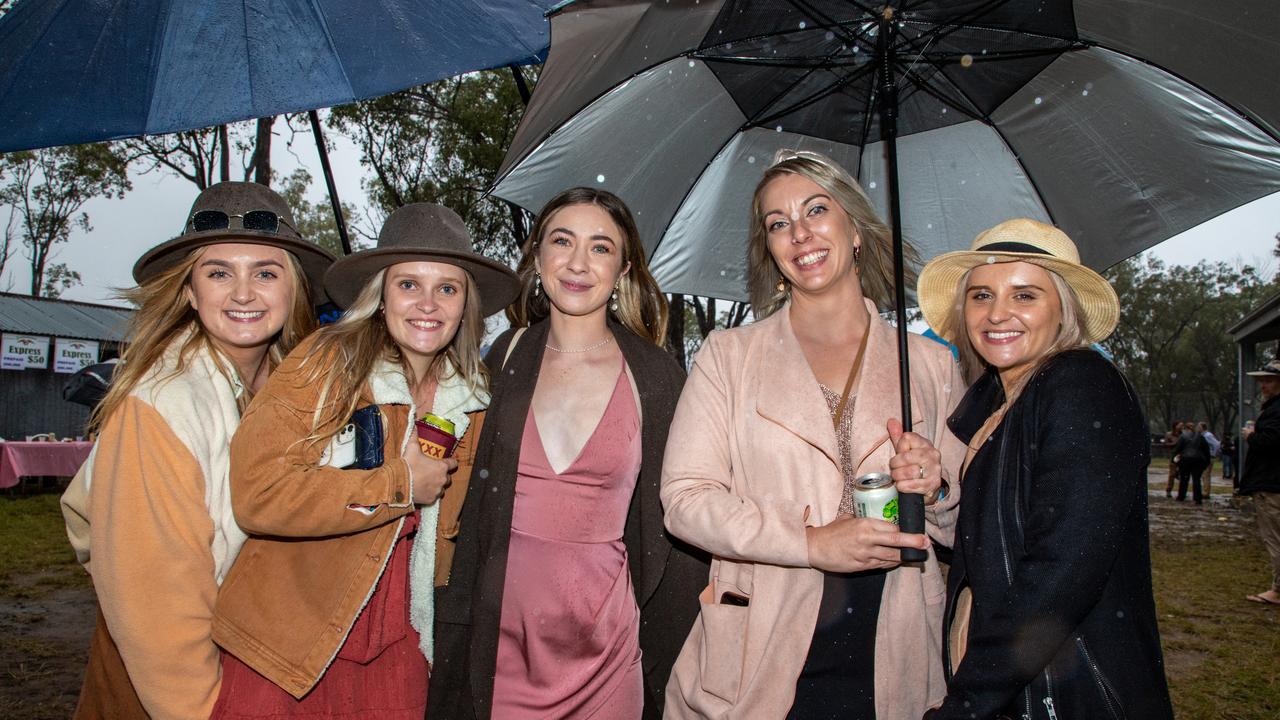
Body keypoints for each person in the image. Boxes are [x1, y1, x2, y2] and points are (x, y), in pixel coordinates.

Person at [661, 150, 964, 720]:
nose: (799, 233)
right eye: (778, 223)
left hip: (895, 645)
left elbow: (962, 524)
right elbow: (685, 502)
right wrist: (811, 542)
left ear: (854, 228)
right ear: (771, 251)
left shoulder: (929, 366)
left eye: (817, 210)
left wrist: (937, 487)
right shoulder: (729, 358)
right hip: (761, 646)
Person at [207, 204, 518, 718]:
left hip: (402, 639)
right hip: (291, 643)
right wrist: (397, 484)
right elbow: (258, 493)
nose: (428, 304)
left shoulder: (475, 400)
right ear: (380, 295)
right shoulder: (325, 363)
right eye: (409, 285)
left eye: (447, 288)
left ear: (466, 304)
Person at [428, 187, 709, 720]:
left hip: (606, 650)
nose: (579, 263)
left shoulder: (656, 378)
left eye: (601, 247)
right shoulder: (504, 357)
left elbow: (686, 516)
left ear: (624, 269)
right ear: (537, 256)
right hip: (501, 641)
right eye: (562, 241)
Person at [60, 181, 333, 719]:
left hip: (248, 662)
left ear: (294, 289)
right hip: (173, 690)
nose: (243, 293)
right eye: (218, 272)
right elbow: (158, 613)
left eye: (265, 272)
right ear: (189, 291)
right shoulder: (161, 405)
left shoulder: (286, 391)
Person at [917, 218, 1173, 719]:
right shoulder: (996, 407)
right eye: (982, 295)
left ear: (1063, 309)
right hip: (1014, 681)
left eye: (1025, 295)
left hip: (1066, 686)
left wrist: (969, 703)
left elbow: (1063, 569)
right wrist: (935, 489)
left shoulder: (1080, 383)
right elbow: (994, 544)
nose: (998, 314)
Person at [1240, 360, 1280, 605]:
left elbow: (1271, 441)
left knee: (1274, 537)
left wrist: (1253, 436)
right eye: (1261, 380)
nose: (1263, 385)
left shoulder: (1277, 410)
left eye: (1268, 380)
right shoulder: (1273, 408)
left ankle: (1278, 589)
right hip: (1271, 481)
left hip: (1271, 483)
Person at [1173, 419, 1211, 505]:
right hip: (1197, 460)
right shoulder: (1200, 437)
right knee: (1196, 479)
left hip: (1185, 460)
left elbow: (1178, 449)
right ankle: (1197, 499)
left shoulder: (1182, 437)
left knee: (1184, 479)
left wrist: (1175, 460)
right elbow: (1206, 450)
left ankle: (1181, 496)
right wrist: (1207, 461)